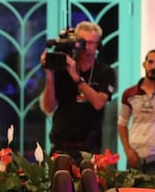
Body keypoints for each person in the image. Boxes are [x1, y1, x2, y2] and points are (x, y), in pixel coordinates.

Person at [40, 21, 116, 162]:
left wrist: (76, 77)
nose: (86, 47)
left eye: (91, 43)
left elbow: (98, 103)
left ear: (98, 44)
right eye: (82, 42)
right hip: (61, 145)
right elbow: (48, 107)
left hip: (90, 146)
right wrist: (50, 77)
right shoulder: (62, 69)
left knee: (89, 184)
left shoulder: (105, 72)